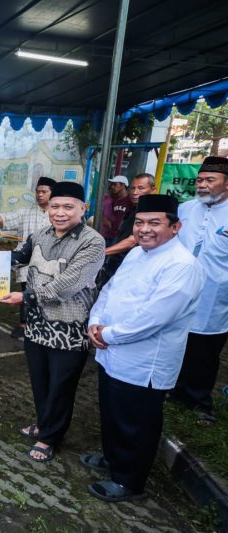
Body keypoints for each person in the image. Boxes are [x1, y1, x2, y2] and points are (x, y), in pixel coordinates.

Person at [82, 194, 204, 502]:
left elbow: (154, 318)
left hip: (144, 361)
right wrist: (95, 321)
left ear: (176, 227)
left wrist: (108, 334)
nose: (144, 230)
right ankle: (112, 459)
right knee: (112, 412)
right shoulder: (137, 254)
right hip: (112, 351)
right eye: (139, 222)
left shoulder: (182, 266)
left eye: (154, 223)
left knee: (136, 423)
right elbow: (109, 290)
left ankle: (129, 481)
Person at [0, 181, 105, 462]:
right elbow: (16, 258)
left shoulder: (92, 242)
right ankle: (44, 423)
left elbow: (66, 285)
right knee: (40, 380)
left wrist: (24, 297)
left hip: (68, 329)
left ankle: (50, 437)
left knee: (61, 385)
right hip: (36, 325)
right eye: (55, 206)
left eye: (68, 207)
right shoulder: (39, 234)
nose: (60, 213)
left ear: (83, 208)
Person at [172, 156, 228, 424]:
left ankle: (199, 401)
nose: (202, 185)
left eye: (210, 180)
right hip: (180, 290)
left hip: (215, 295)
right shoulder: (185, 209)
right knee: (177, 343)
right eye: (200, 180)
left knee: (204, 350)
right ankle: (175, 390)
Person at [0, 176, 56, 339]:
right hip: (25, 261)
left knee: (48, 294)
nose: (40, 194)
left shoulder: (58, 214)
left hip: (51, 265)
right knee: (25, 294)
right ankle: (24, 325)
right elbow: (4, 219)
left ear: (52, 193)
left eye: (44, 191)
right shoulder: (25, 212)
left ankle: (47, 324)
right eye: (37, 191)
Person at [98, 173, 156, 287]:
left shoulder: (151, 212)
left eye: (141, 188)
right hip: (117, 260)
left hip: (131, 265)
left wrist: (102, 252)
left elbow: (132, 241)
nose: (135, 192)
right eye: (133, 188)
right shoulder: (134, 208)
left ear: (153, 190)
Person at [99, 175, 132, 245]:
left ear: (122, 185)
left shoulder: (130, 200)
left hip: (122, 237)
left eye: (115, 185)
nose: (112, 187)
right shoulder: (112, 200)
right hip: (109, 235)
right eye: (112, 185)